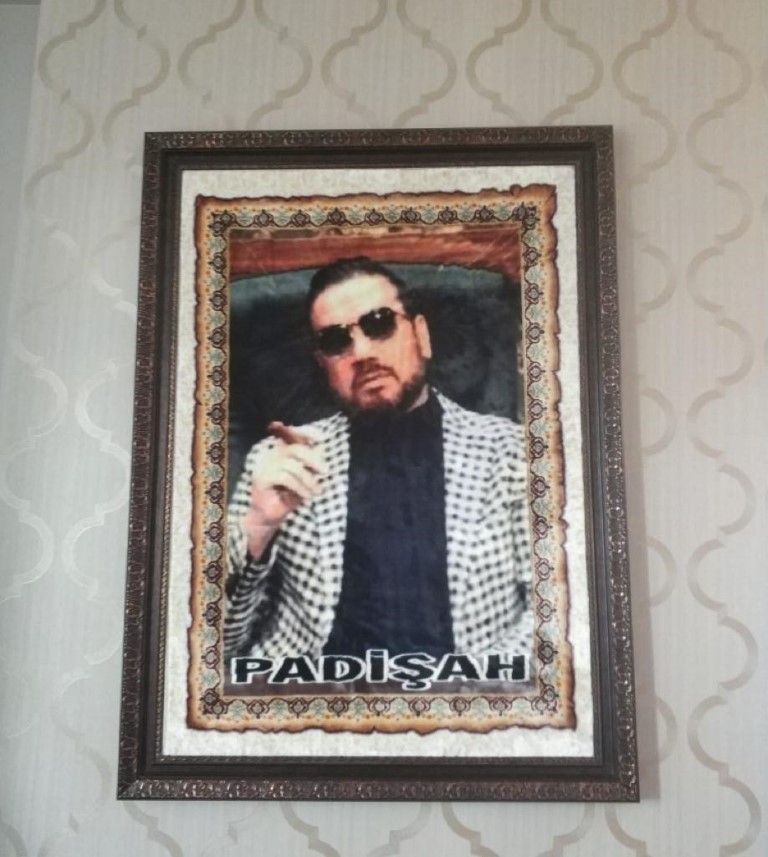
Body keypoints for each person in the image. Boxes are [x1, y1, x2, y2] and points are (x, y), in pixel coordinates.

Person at [224, 257, 532, 664]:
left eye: (379, 323)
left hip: (459, 693)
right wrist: (257, 528)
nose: (362, 352)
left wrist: (473, 688)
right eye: (336, 340)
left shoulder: (511, 452)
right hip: (313, 694)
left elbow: (552, 617)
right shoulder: (280, 461)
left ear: (421, 335)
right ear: (323, 364)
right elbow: (216, 645)